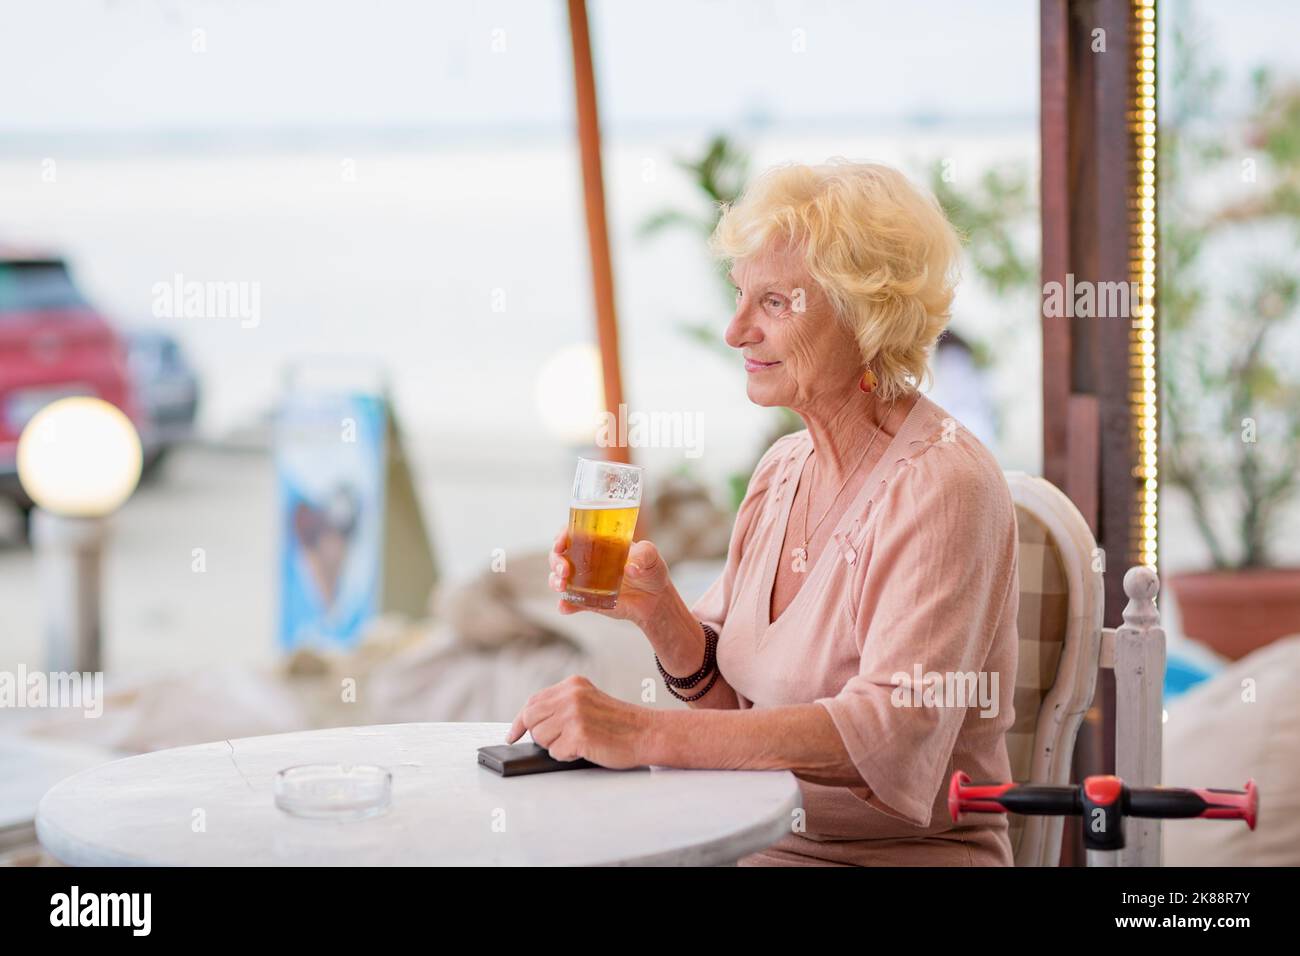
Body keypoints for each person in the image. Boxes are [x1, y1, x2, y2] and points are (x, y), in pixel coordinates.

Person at [510, 160, 1020, 866]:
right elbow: (742, 720)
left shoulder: (943, 483)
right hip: (758, 845)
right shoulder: (784, 469)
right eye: (741, 296)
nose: (735, 331)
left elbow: (892, 731)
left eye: (776, 303)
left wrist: (642, 734)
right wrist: (664, 617)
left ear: (864, 313)